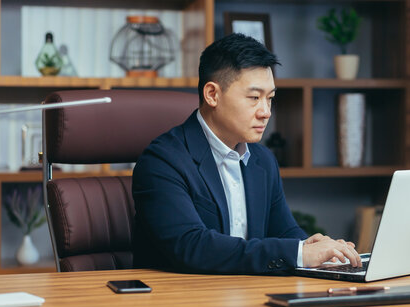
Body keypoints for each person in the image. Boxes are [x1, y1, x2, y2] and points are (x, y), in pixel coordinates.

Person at [132, 33, 361, 274]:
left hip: (247, 295)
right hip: (180, 299)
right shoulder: (162, 161)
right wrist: (299, 254)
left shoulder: (262, 160)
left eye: (270, 98)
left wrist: (316, 248)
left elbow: (283, 231)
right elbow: (192, 246)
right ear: (212, 95)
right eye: (254, 98)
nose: (266, 112)